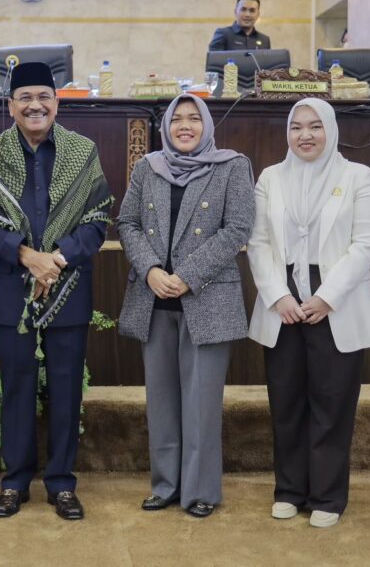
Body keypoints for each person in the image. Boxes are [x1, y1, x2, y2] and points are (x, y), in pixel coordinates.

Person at [0, 62, 113, 521]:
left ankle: (61, 483)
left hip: (68, 285)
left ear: (57, 102)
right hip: (15, 286)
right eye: (25, 97)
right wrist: (26, 256)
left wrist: (56, 259)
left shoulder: (82, 151)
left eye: (44, 97)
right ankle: (14, 482)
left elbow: (97, 222)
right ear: (10, 105)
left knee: (66, 388)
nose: (35, 105)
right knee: (16, 385)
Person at [247, 98, 370, 528]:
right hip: (282, 304)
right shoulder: (270, 177)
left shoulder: (357, 176)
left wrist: (327, 297)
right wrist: (276, 294)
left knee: (332, 404)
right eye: (296, 127)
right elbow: (259, 243)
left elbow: (366, 244)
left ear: (330, 129)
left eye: (314, 126)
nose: (305, 135)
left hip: (336, 304)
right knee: (286, 402)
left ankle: (327, 496)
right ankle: (289, 490)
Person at [117, 93, 254, 518]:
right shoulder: (148, 166)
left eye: (195, 119)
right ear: (166, 127)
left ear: (207, 125)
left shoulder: (232, 165)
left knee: (201, 404)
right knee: (161, 402)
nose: (186, 126)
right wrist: (152, 271)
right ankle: (165, 485)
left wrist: (186, 276)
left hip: (206, 300)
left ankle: (199, 491)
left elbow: (238, 228)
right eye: (178, 119)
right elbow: (127, 222)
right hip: (154, 300)